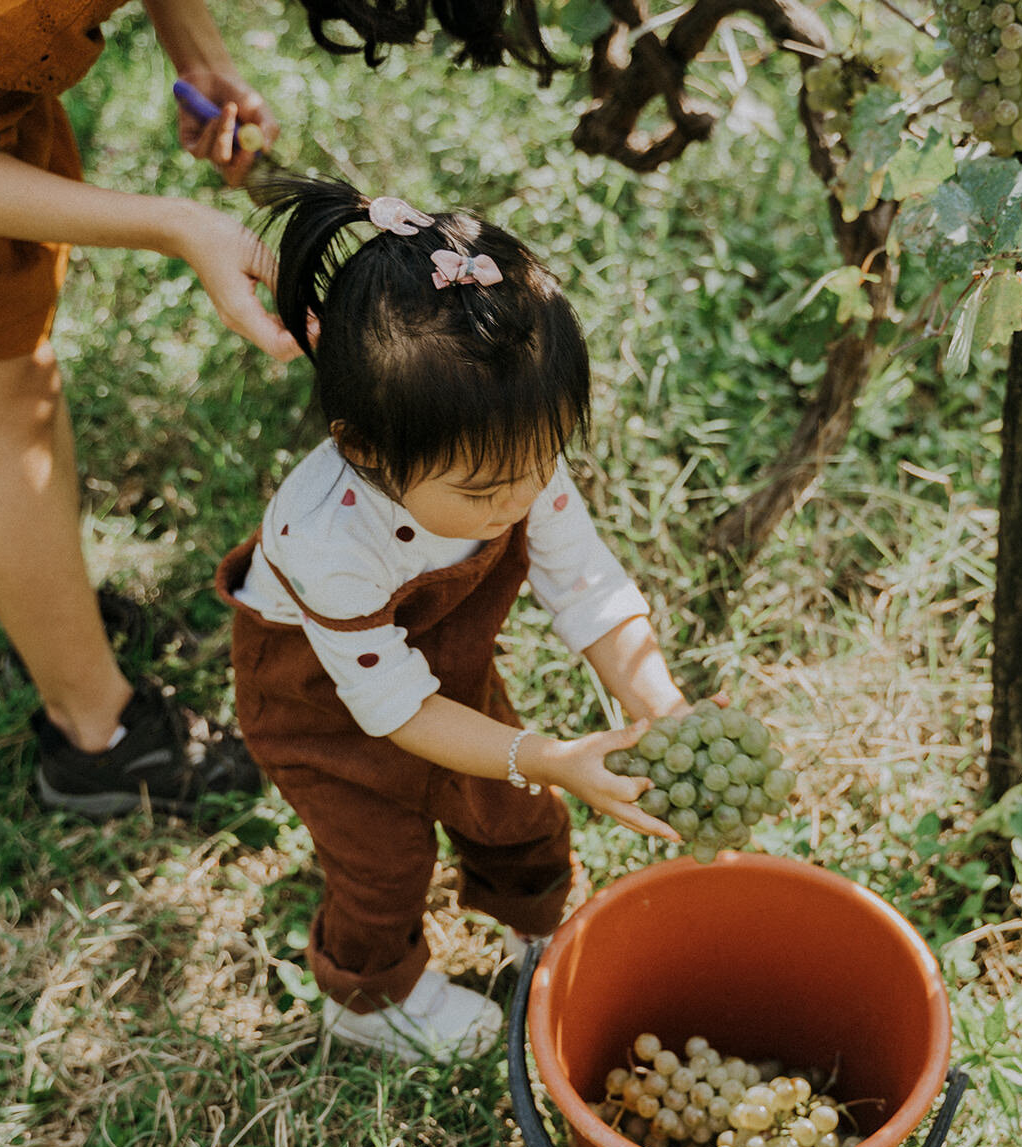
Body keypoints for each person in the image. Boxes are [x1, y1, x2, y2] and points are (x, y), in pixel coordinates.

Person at [0, 0, 565, 818]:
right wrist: (178, 224)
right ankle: (100, 738)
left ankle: (62, 634)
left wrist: (194, 48)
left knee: (1, 364)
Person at [215, 173, 688, 1061]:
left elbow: (586, 586)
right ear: (366, 449)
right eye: (482, 490)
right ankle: (369, 998)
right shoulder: (324, 536)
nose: (519, 498)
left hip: (443, 669)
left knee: (519, 812)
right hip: (325, 704)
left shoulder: (512, 459)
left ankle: (537, 934)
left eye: (539, 462)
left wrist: (658, 703)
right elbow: (393, 709)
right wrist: (547, 753)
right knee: (382, 865)